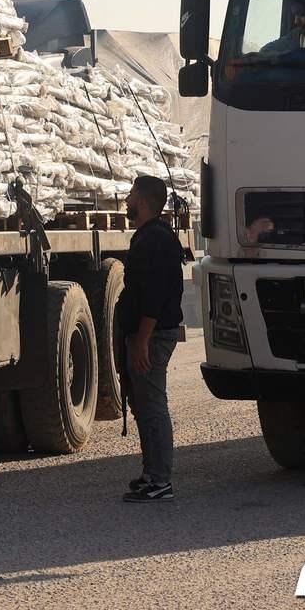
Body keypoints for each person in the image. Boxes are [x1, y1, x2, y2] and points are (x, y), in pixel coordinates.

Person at [118, 174, 186, 503]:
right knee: (142, 405)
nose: (127, 200)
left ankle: (161, 481)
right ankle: (151, 474)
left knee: (153, 405)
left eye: (131, 194)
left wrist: (142, 338)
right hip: (146, 334)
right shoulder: (149, 236)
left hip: (154, 335)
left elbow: (155, 295)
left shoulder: (155, 239)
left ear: (143, 201)